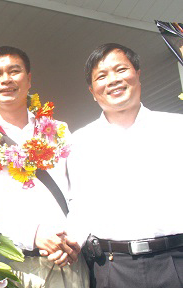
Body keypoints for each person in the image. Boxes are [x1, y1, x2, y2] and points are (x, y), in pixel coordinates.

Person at [0, 46, 89, 287]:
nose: (6, 79)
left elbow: (82, 193)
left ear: (28, 79)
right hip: (10, 268)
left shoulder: (58, 131)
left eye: (14, 71)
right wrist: (33, 235)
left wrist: (74, 237)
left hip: (66, 264)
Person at [67, 43, 183, 288]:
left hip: (176, 260)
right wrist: (69, 243)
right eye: (101, 76)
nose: (113, 80)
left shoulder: (177, 128)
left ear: (138, 74)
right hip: (111, 268)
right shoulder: (80, 141)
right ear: (92, 90)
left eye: (121, 70)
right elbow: (80, 205)